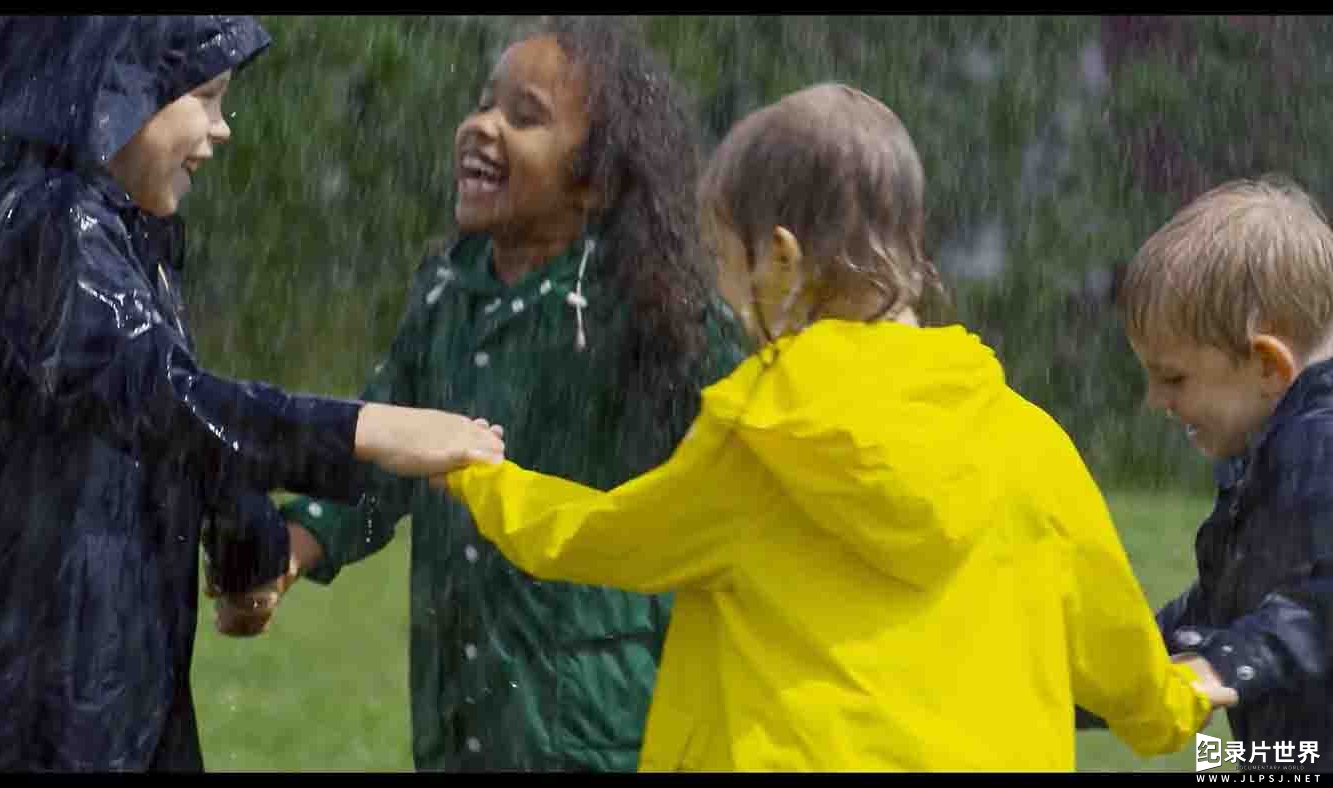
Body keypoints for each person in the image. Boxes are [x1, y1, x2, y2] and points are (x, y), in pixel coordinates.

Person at [438, 83, 1236, 771]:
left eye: (726, 263)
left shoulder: (762, 440)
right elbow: (1118, 655)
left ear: (781, 261)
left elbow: (602, 540)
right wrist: (1178, 702)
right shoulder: (1030, 443)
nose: (724, 300)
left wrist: (474, 471)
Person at [0, 15, 502, 772]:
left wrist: (248, 543)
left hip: (111, 678)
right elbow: (169, 402)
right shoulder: (45, 223)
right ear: (111, 83)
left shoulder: (117, 227)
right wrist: (368, 430)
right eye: (203, 95)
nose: (222, 126)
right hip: (26, 709)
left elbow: (172, 429)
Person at [226, 15, 746, 772]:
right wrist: (288, 554)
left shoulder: (650, 311)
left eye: (524, 116)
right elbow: (378, 460)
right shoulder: (445, 294)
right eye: (482, 104)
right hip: (462, 714)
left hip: (599, 724)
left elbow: (755, 434)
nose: (482, 126)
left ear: (597, 179)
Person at [1118, 175, 1333, 774]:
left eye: (1174, 378)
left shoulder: (1321, 442)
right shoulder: (1272, 456)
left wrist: (1223, 663)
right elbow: (1226, 603)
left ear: (1267, 365)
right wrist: (1111, 671)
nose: (1156, 401)